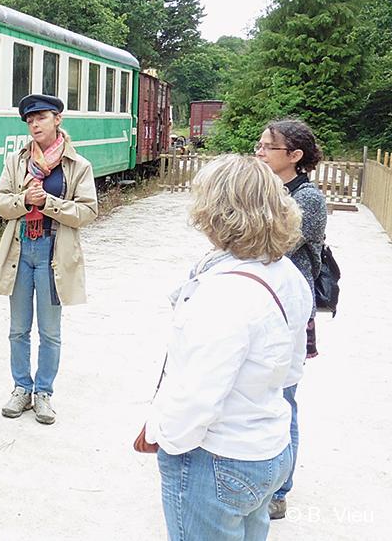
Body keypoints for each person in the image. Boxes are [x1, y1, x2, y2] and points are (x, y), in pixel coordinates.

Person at [145, 155, 312, 541]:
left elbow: (197, 396)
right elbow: (291, 371)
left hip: (217, 459)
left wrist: (167, 441)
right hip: (269, 447)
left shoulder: (222, 292)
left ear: (218, 212)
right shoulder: (286, 273)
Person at [0, 94, 98, 424]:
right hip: (20, 252)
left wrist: (48, 202)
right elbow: (0, 203)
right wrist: (23, 199)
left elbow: (88, 211)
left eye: (41, 118)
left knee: (50, 331)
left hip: (54, 253)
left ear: (57, 120)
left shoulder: (78, 166)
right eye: (30, 120)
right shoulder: (16, 161)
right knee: (18, 329)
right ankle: (21, 389)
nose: (34, 124)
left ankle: (44, 393)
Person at [255, 118, 327, 520]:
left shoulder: (309, 199)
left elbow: (271, 240)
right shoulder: (269, 189)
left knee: (283, 399)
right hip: (259, 305)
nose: (260, 153)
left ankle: (280, 489)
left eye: (268, 147)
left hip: (288, 310)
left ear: (295, 156)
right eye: (260, 145)